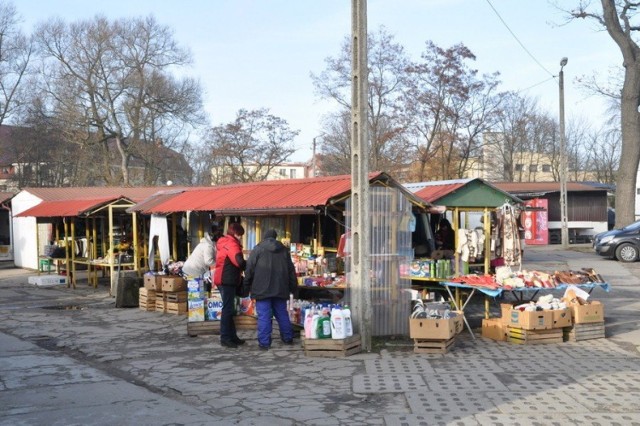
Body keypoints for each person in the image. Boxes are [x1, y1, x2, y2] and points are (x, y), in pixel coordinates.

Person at [243, 229, 297, 350]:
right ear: (275, 237)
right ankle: (288, 338)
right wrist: (294, 288)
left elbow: (249, 269)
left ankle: (264, 343)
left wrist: (246, 286)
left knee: (264, 316)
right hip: (280, 288)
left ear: (264, 237)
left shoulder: (258, 249)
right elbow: (291, 271)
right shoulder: (284, 250)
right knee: (282, 314)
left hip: (262, 289)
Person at [213, 222, 246, 349]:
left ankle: (232, 336)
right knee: (227, 310)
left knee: (229, 309)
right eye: (240, 235)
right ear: (236, 234)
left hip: (225, 279)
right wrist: (249, 265)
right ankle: (225, 338)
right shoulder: (232, 244)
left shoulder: (225, 242)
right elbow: (239, 262)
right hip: (226, 281)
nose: (241, 237)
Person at [181, 225, 220, 292]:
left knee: (193, 295)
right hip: (194, 272)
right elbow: (208, 261)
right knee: (198, 295)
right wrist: (219, 264)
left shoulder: (205, 243)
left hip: (189, 270)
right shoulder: (209, 246)